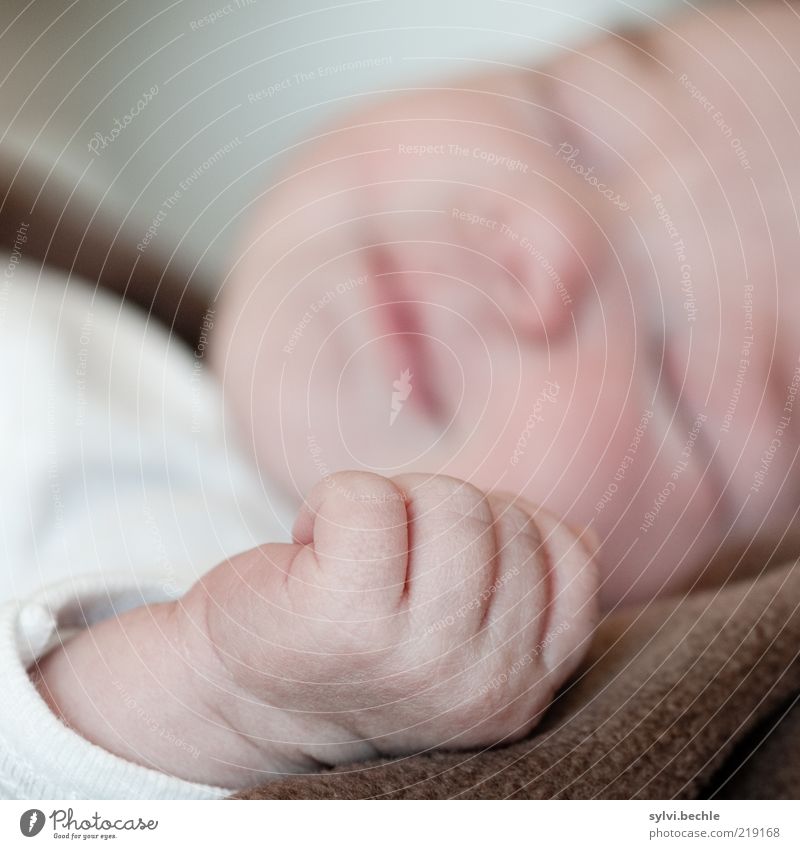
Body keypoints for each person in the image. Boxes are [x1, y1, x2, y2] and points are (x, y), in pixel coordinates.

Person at [3, 0, 798, 799]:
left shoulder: (242, 634)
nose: (543, 243)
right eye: (574, 119)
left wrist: (219, 699)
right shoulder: (102, 318)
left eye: (679, 379)